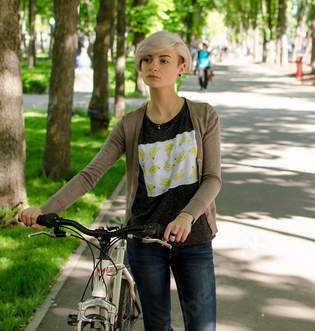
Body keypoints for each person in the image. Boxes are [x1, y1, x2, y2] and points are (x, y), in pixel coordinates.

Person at [18, 31, 221, 331]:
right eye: (146, 59)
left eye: (164, 60)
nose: (153, 65)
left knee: (202, 326)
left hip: (193, 239)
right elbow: (91, 174)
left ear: (181, 66)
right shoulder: (130, 124)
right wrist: (45, 210)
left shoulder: (203, 115)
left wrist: (187, 216)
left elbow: (212, 179)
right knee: (157, 326)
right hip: (144, 239)